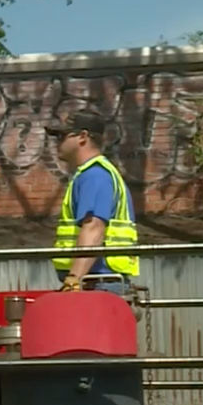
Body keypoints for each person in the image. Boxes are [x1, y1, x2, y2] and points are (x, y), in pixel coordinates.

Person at [45, 110, 139, 294]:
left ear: (83, 137)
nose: (57, 142)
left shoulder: (94, 176)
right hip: (97, 283)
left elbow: (94, 227)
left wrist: (74, 280)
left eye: (62, 136)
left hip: (97, 284)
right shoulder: (92, 174)